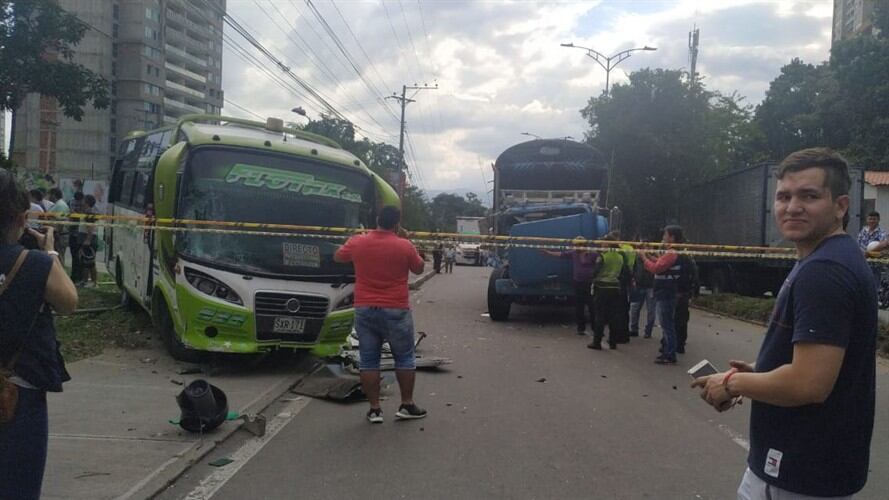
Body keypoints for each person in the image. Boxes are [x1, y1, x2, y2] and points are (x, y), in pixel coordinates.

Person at [692, 148, 876, 499]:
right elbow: (825, 367)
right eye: (784, 196)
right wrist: (762, 372)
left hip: (797, 471)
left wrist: (732, 383)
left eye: (809, 196)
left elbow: (809, 385)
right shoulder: (830, 257)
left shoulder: (825, 272)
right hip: (812, 468)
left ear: (840, 206)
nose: (792, 207)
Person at [0, 169, 78, 499]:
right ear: (22, 217)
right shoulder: (34, 264)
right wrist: (50, 253)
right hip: (15, 399)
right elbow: (69, 301)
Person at [334, 206, 427, 424]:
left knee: (369, 360)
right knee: (404, 358)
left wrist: (350, 240)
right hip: (396, 309)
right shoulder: (404, 245)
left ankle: (375, 410)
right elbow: (420, 269)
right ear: (397, 223)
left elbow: (338, 256)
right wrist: (409, 243)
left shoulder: (358, 242)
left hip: (365, 307)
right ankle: (406, 405)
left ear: (377, 219)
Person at [638, 225, 686, 365]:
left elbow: (656, 268)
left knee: (666, 325)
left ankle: (669, 353)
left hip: (666, 292)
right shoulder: (672, 252)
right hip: (666, 292)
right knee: (667, 324)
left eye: (665, 235)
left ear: (671, 237)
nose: (663, 237)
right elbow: (660, 263)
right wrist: (650, 256)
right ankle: (668, 351)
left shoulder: (671, 253)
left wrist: (643, 258)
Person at [542, 236, 600, 336]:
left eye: (577, 245)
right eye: (574, 245)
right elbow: (561, 254)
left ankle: (596, 329)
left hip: (590, 283)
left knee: (592, 306)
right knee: (579, 306)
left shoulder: (592, 254)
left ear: (583, 245)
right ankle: (580, 328)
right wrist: (548, 253)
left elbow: (600, 262)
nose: (575, 247)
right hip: (578, 283)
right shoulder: (573, 253)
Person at [589, 235, 629, 350]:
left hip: (602, 287)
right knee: (614, 316)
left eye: (603, 243)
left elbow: (595, 272)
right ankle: (613, 342)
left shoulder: (603, 256)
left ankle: (597, 342)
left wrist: (591, 277)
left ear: (607, 244)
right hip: (615, 288)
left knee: (599, 315)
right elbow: (623, 272)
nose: (601, 244)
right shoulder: (620, 256)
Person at [674, 251, 698, 354]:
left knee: (676, 319)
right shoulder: (690, 261)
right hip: (685, 293)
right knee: (683, 319)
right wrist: (693, 293)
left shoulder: (680, 260)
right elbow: (695, 278)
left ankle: (677, 344)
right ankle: (681, 343)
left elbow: (680, 277)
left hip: (679, 293)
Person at [629, 250, 656, 339]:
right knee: (634, 308)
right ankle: (634, 329)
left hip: (651, 286)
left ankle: (648, 331)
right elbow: (633, 268)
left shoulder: (654, 257)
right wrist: (633, 279)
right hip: (639, 285)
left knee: (651, 310)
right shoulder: (637, 258)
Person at [857, 210, 887, 288]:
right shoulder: (863, 231)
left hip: (874, 266)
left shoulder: (882, 233)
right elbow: (858, 244)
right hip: (861, 264)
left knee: (873, 288)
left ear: (878, 220)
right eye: (870, 219)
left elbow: (884, 247)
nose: (872, 221)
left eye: (874, 219)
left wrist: (869, 253)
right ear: (867, 220)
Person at [77, 194, 99, 288]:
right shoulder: (87, 211)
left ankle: (92, 282)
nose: (82, 201)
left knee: (89, 263)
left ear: (87, 202)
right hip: (84, 237)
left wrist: (88, 240)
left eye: (84, 200)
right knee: (85, 262)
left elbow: (91, 227)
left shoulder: (89, 212)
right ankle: (85, 281)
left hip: (88, 239)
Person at [47, 188, 70, 262]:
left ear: (54, 195)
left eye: (50, 194)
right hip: (56, 234)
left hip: (60, 235)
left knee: (59, 258)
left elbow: (61, 221)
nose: (49, 196)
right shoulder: (57, 204)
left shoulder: (61, 205)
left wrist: (57, 234)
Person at [68, 191, 85, 284]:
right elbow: (72, 214)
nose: (78, 204)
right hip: (75, 233)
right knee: (75, 257)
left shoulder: (85, 206)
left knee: (79, 257)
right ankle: (76, 277)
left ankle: (79, 277)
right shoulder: (73, 202)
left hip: (80, 234)